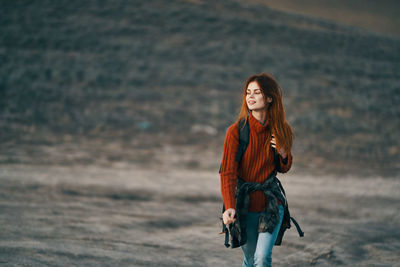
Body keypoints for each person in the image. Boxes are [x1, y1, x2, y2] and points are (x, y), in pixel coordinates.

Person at [220, 73, 293, 267]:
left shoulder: (281, 129)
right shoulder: (236, 131)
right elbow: (227, 172)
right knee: (251, 260)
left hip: (271, 203)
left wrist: (283, 151)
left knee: (262, 257)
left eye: (257, 92)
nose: (250, 97)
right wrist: (229, 206)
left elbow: (284, 167)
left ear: (269, 98)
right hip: (244, 205)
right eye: (248, 92)